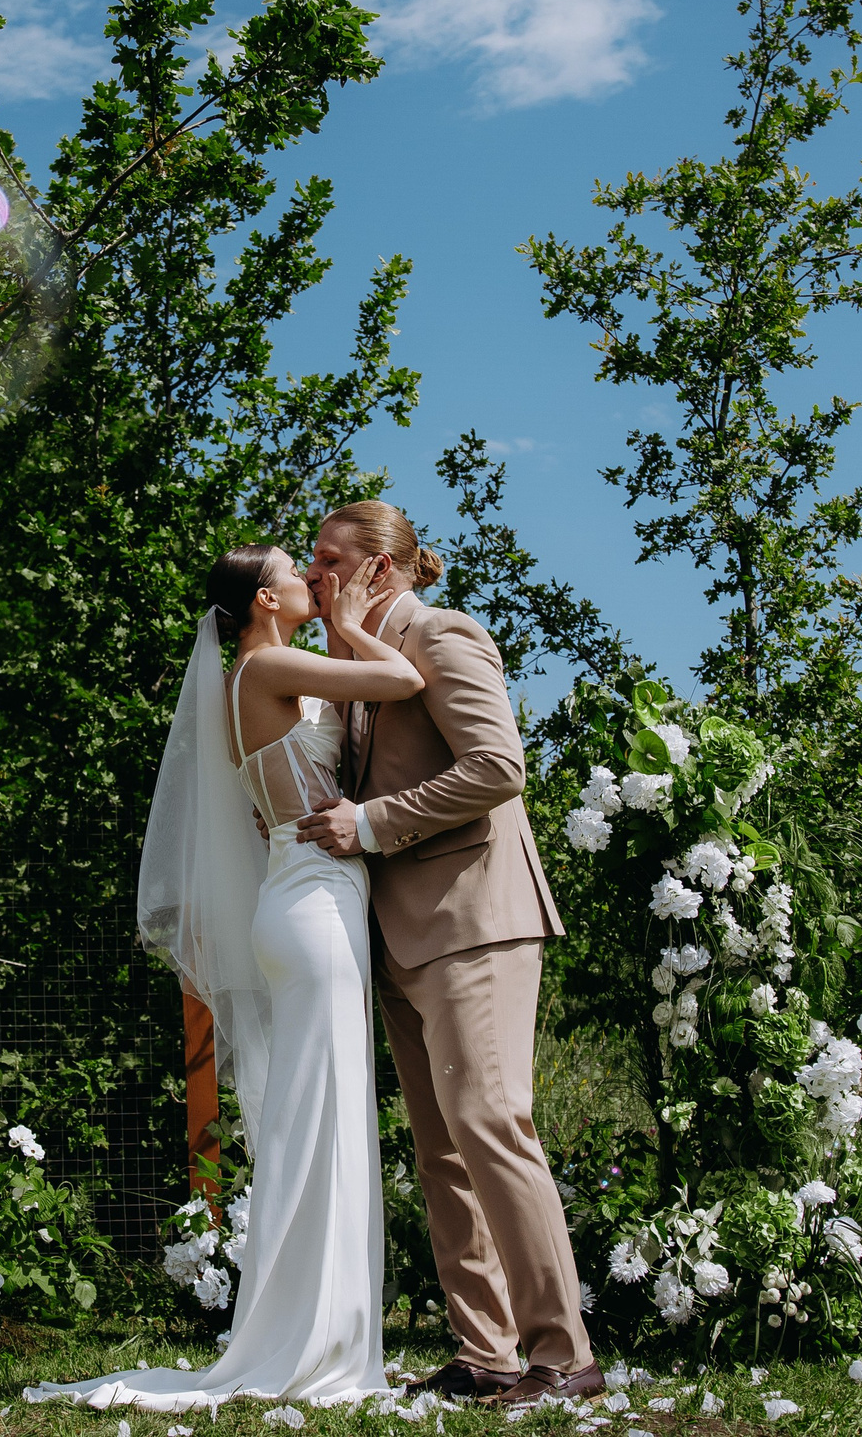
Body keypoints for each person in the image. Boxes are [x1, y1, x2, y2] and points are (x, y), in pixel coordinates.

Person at [28, 545, 422, 1411]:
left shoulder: (262, 672)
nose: (307, 581)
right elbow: (403, 682)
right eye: (294, 572)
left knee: (319, 1119)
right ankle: (307, 1342)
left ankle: (320, 1331)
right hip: (314, 908)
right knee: (320, 1121)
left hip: (304, 896)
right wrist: (354, 626)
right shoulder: (270, 661)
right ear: (261, 599)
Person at [292, 500, 599, 1409]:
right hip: (398, 935)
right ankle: (487, 1351)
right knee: (442, 1152)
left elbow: (498, 767)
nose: (313, 575)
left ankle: (564, 1356)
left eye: (328, 560)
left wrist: (372, 823)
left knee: (493, 1127)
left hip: (476, 920)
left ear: (379, 570)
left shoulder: (443, 634)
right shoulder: (354, 661)